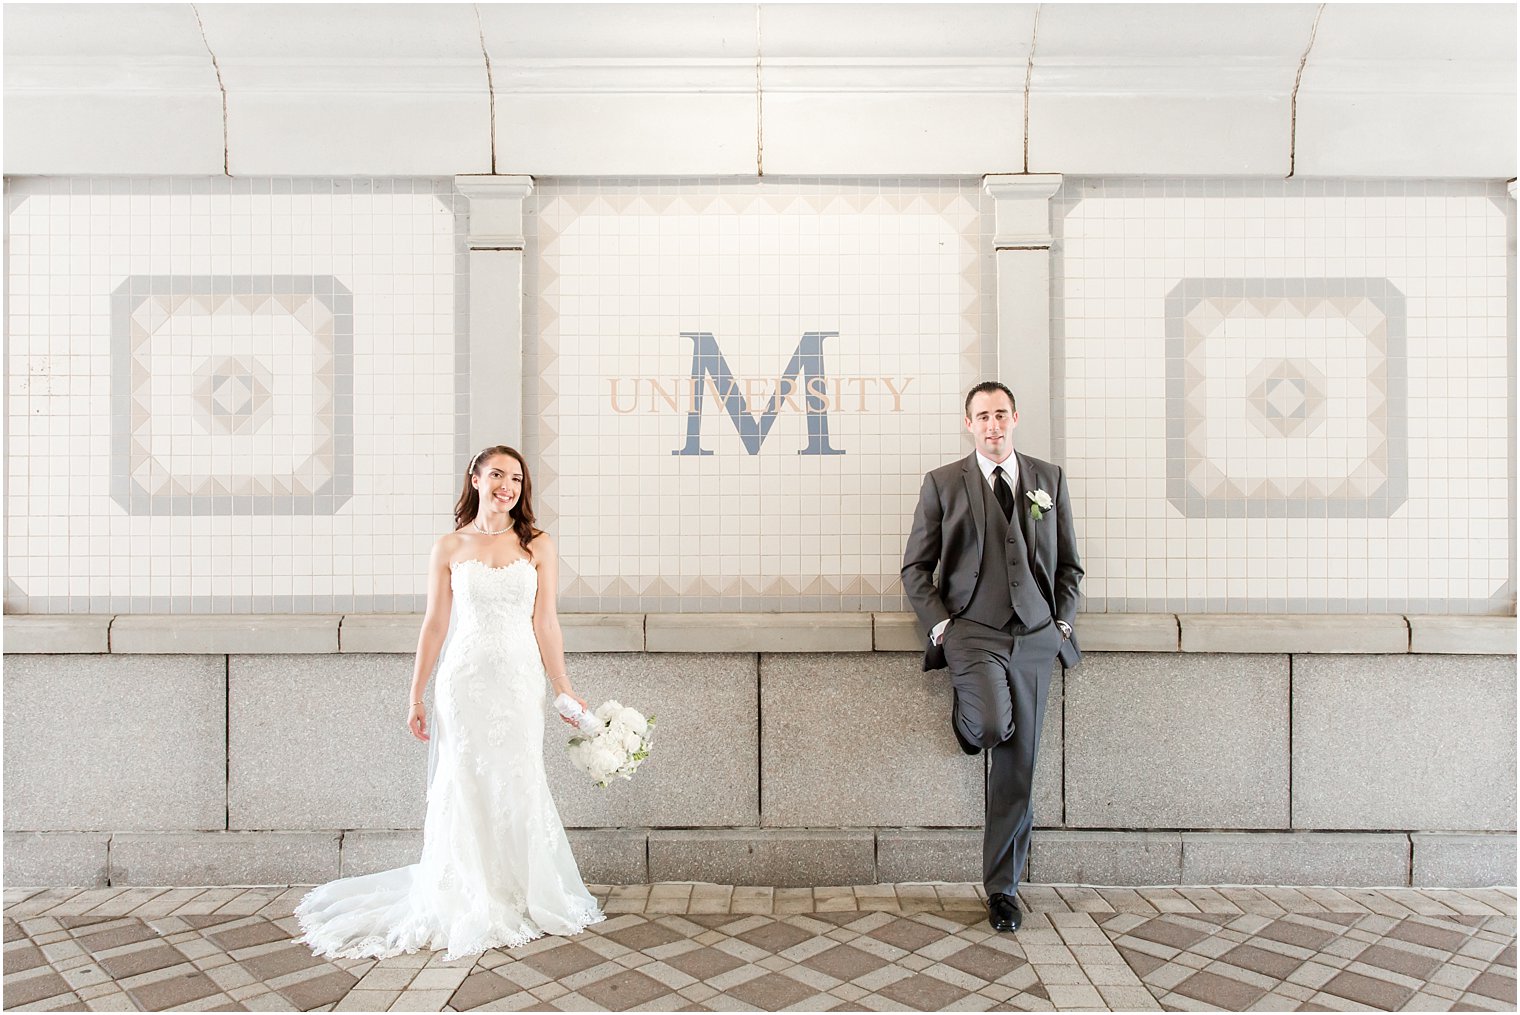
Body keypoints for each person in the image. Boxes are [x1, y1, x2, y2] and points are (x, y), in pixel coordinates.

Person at [295, 445, 604, 960]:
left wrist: (562, 686)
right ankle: (468, 893)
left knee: (517, 776)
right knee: (464, 779)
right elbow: (435, 624)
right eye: (498, 475)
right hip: (463, 683)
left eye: (517, 479)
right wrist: (414, 693)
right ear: (476, 478)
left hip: (518, 680)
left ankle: (523, 888)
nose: (508, 486)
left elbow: (546, 620)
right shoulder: (449, 546)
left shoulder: (538, 545)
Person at [901, 381, 1083, 933]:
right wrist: (942, 628)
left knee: (1018, 768)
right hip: (972, 631)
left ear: (1015, 417)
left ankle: (1003, 889)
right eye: (982, 416)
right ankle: (970, 718)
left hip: (1033, 635)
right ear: (968, 423)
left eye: (1001, 414)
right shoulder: (943, 483)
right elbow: (915, 568)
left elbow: (1069, 566)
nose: (993, 425)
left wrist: (1061, 626)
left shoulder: (1047, 480)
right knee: (985, 727)